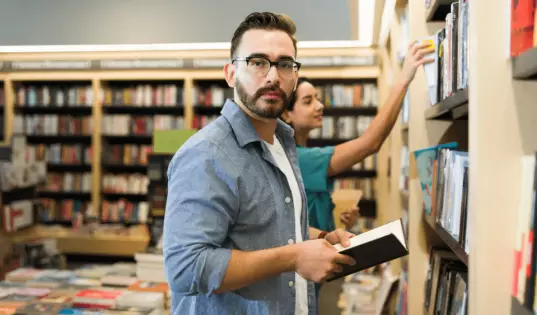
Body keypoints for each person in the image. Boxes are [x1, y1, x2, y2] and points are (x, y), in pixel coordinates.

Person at [163, 12, 358, 315]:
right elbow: (187, 268)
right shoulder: (205, 154)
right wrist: (294, 257)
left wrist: (321, 238)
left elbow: (269, 226)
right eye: (257, 63)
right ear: (230, 73)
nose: (272, 76)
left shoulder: (282, 143)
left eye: (284, 64)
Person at [281, 43, 434, 234]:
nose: (320, 106)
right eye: (308, 101)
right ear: (286, 115)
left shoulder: (297, 156)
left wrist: (339, 221)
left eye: (318, 98)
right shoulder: (299, 158)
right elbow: (370, 143)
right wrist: (403, 80)